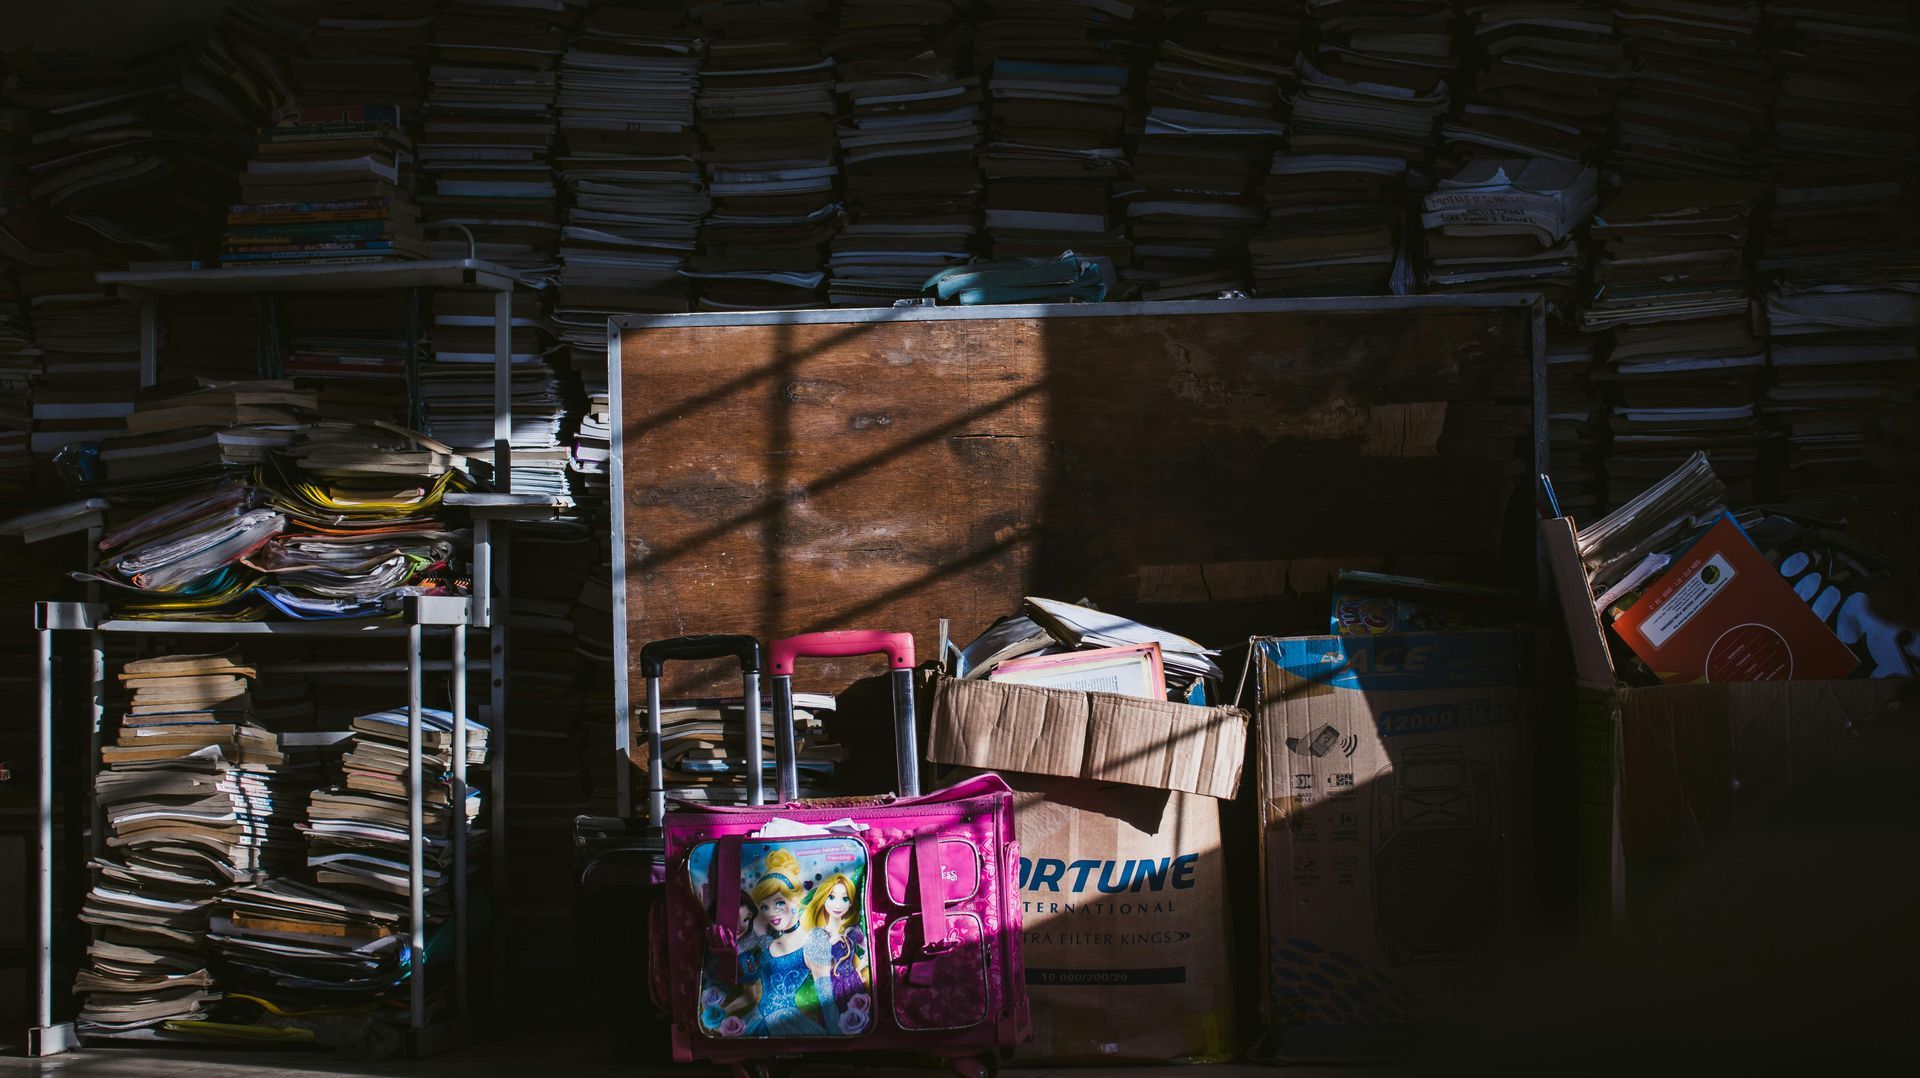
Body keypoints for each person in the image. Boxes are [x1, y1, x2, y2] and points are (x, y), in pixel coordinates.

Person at [739, 848, 837, 1037]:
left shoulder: (814, 939)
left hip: (785, 1023)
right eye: (764, 907)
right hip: (755, 1019)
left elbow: (827, 998)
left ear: (794, 900)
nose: (771, 912)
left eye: (779, 902)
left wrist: (838, 1034)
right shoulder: (766, 942)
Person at [803, 873, 871, 1033]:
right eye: (832, 897)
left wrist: (860, 967)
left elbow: (868, 948)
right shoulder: (819, 934)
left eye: (845, 899)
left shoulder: (851, 931)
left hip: (853, 983)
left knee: (859, 1021)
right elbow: (812, 966)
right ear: (823, 899)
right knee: (835, 1023)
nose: (838, 904)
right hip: (831, 986)